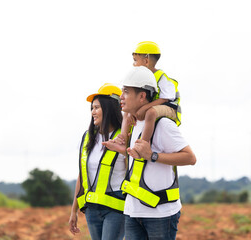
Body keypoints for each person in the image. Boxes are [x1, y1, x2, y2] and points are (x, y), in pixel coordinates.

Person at [105, 66, 196, 239]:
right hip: (133, 211)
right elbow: (139, 161)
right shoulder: (135, 123)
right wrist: (124, 150)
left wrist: (153, 156)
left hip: (161, 215)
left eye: (126, 92)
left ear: (142, 96)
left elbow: (190, 158)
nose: (121, 97)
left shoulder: (162, 124)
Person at [68, 83, 127, 240]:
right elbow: (82, 175)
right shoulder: (88, 137)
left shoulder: (125, 137)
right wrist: (74, 210)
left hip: (116, 209)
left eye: (96, 108)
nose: (93, 112)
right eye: (92, 108)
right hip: (92, 209)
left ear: (109, 108)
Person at [118, 41, 182, 146]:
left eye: (135, 61)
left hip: (170, 107)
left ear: (146, 61)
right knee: (127, 112)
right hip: (156, 105)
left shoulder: (162, 77)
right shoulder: (144, 78)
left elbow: (165, 99)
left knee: (150, 113)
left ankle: (143, 144)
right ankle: (122, 141)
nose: (133, 64)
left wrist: (144, 108)